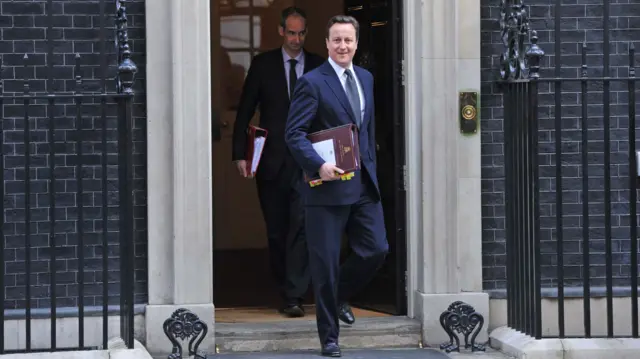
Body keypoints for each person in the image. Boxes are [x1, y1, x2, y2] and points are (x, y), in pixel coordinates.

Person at [284, 15, 389, 357]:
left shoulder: (367, 78)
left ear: (357, 43)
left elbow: (366, 130)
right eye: (336, 40)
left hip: (362, 185)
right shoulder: (313, 83)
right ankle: (329, 338)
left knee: (376, 249)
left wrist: (371, 169)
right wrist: (318, 164)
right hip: (326, 189)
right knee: (325, 265)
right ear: (327, 44)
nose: (343, 46)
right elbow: (293, 133)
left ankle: (340, 294)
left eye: (348, 40)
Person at [231, 7, 325, 317]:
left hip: (307, 161)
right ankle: (284, 285)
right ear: (281, 31)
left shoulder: (318, 65)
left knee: (301, 226)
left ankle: (294, 295)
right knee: (276, 230)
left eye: (302, 33)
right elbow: (245, 110)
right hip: (270, 161)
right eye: (292, 33)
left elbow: (329, 113)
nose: (297, 39)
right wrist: (240, 154)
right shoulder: (262, 65)